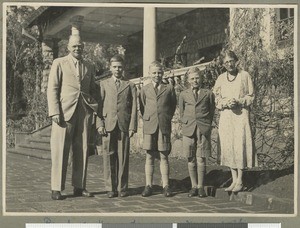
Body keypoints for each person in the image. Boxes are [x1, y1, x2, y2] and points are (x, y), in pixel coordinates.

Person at [47, 35, 99, 200]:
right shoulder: (59, 63)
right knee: (60, 149)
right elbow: (52, 88)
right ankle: (56, 188)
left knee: (82, 148)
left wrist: (95, 107)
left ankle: (79, 186)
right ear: (68, 47)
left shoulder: (89, 66)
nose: (78, 49)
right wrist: (54, 111)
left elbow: (92, 89)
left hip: (84, 112)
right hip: (64, 112)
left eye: (80, 46)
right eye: (75, 46)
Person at [213, 50, 256, 192]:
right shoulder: (220, 78)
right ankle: (234, 178)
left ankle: (240, 180)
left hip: (240, 116)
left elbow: (251, 96)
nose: (229, 64)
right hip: (226, 116)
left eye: (231, 61)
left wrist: (240, 101)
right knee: (229, 146)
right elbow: (216, 99)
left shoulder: (244, 76)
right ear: (223, 64)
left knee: (239, 145)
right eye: (226, 62)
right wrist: (226, 103)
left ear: (236, 61)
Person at [97, 55, 137, 198]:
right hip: (108, 125)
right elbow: (99, 106)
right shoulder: (104, 84)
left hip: (123, 125)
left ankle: (122, 187)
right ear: (110, 67)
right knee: (108, 156)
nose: (117, 69)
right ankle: (110, 187)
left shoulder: (130, 85)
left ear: (123, 67)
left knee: (123, 157)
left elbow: (134, 108)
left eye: (120, 66)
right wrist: (99, 124)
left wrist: (132, 126)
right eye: (114, 67)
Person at [139, 61, 177, 197]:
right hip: (150, 125)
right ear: (149, 74)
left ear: (163, 73)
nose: (157, 75)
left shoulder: (169, 88)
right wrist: (150, 118)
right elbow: (143, 107)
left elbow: (172, 106)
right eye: (154, 72)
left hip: (163, 125)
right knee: (149, 155)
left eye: (159, 72)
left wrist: (165, 118)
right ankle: (148, 185)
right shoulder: (144, 89)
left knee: (163, 155)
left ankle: (166, 185)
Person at [179, 67, 215, 198]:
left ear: (201, 79)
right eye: (192, 78)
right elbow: (182, 112)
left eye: (197, 78)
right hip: (189, 128)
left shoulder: (208, 93)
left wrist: (206, 124)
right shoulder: (183, 94)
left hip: (203, 128)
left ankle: (200, 186)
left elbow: (211, 111)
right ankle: (193, 185)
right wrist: (187, 122)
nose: (195, 81)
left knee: (201, 158)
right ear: (188, 80)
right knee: (190, 157)